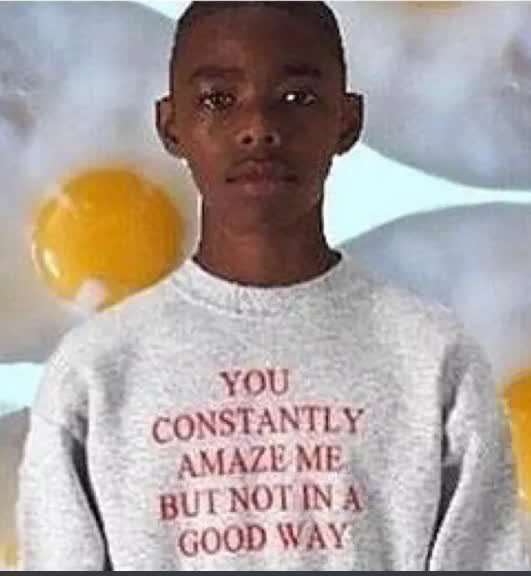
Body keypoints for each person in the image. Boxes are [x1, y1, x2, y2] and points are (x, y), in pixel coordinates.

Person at [17, 1, 529, 570]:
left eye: (297, 98)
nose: (258, 129)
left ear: (348, 120)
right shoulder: (91, 369)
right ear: (169, 125)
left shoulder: (436, 354)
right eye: (218, 100)